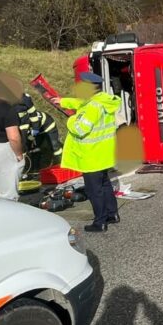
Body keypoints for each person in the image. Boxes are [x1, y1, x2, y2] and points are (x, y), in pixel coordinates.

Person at [57, 72, 121, 233]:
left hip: (91, 156)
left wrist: (71, 120)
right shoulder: (103, 100)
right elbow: (81, 103)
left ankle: (100, 222)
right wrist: (62, 101)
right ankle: (112, 214)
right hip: (103, 154)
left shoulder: (92, 107)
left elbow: (80, 128)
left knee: (94, 191)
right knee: (105, 185)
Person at [15, 93, 61, 172]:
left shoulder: (24, 122)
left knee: (55, 146)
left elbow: (24, 142)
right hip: (35, 128)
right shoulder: (16, 121)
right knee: (35, 149)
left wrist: (22, 153)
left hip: (47, 125)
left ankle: (59, 163)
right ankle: (35, 169)